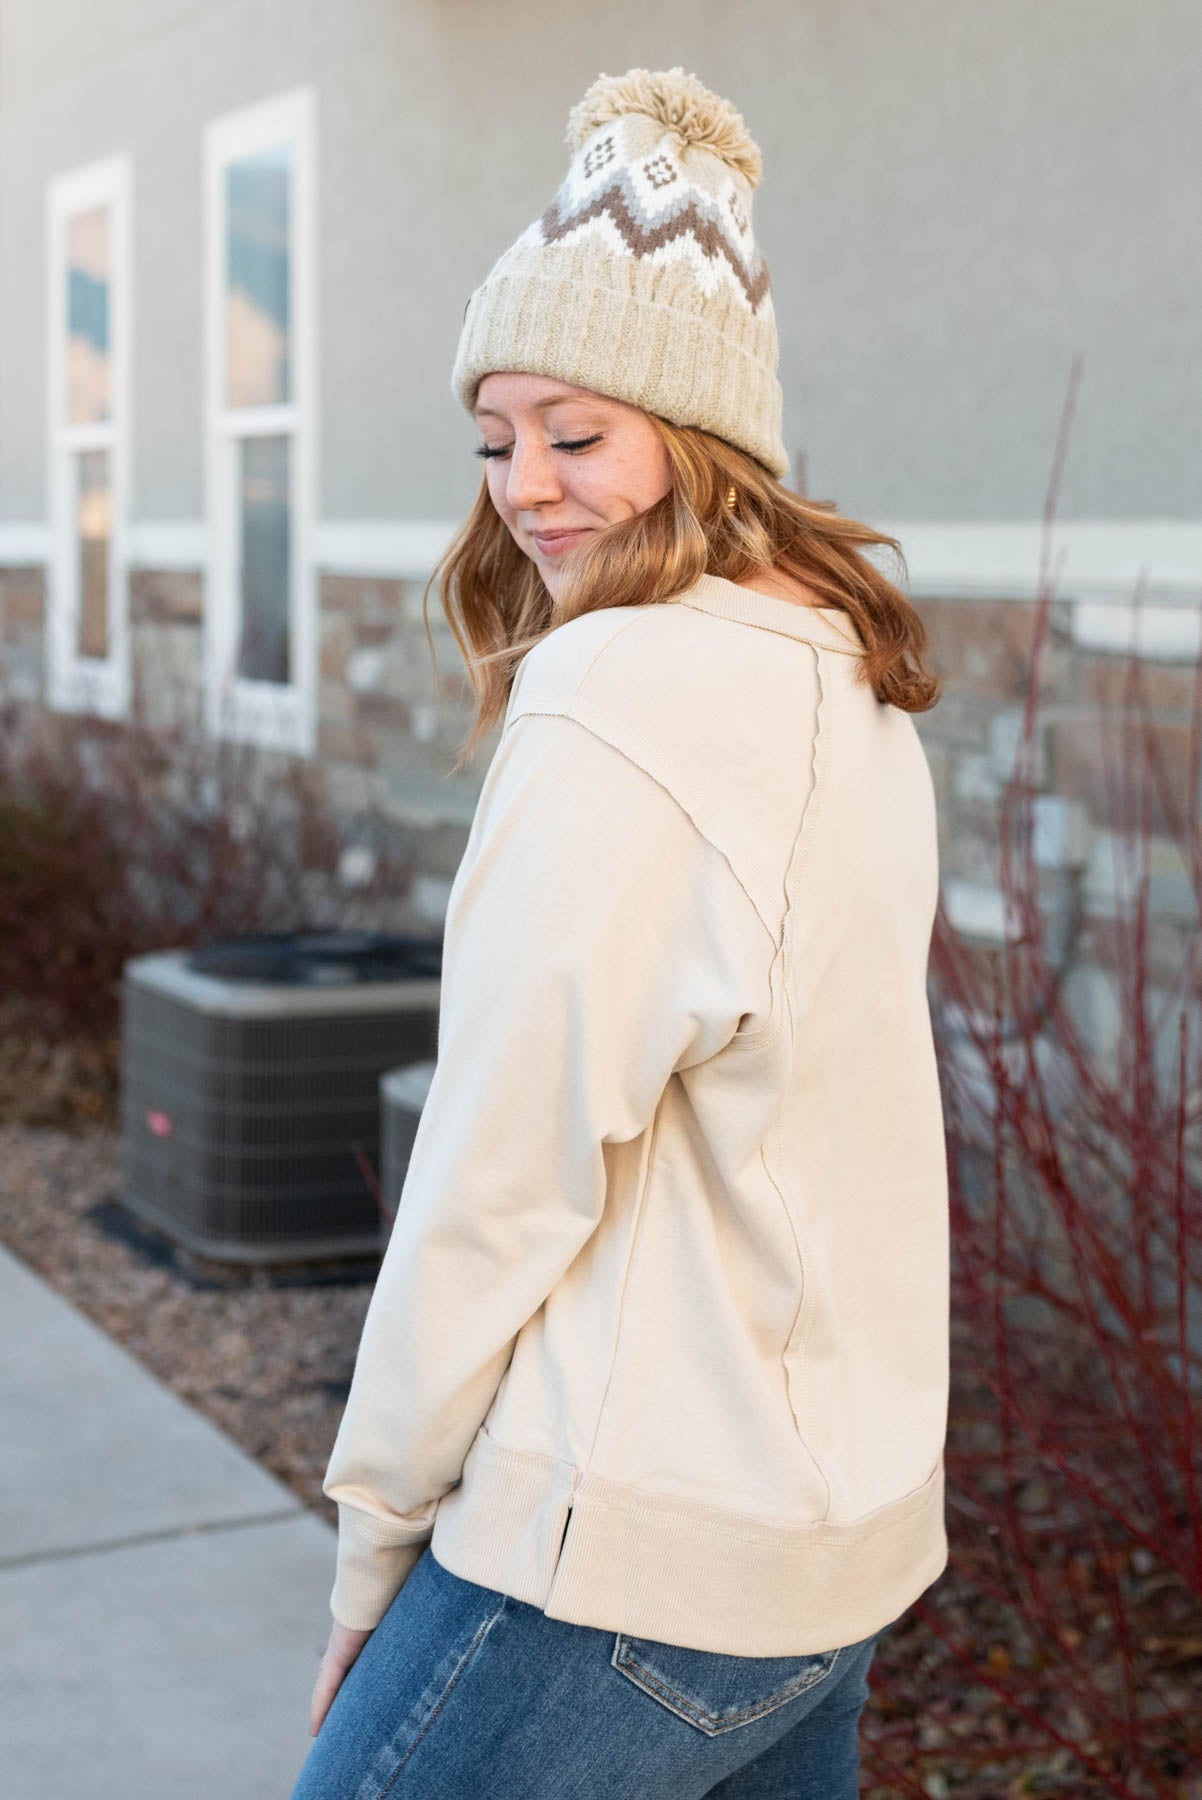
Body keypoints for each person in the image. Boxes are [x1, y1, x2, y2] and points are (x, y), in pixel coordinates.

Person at [291, 65, 949, 1799]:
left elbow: (496, 1173)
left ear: (701, 439)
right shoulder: (853, 682)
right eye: (496, 438)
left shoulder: (611, 696)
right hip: (826, 1560)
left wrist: (374, 1544)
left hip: (616, 1562)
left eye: (577, 433)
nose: (524, 485)